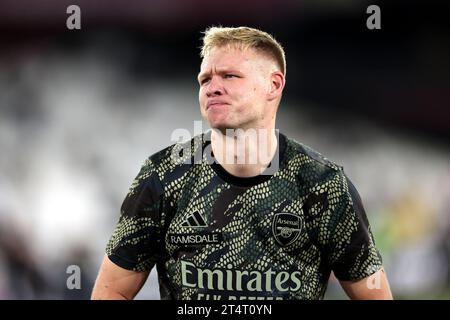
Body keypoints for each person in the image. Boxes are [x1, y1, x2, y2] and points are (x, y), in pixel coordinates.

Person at [91, 26, 393, 300]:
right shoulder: (163, 177)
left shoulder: (322, 184)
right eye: (205, 79)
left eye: (229, 76)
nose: (212, 87)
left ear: (273, 85)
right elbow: (111, 290)